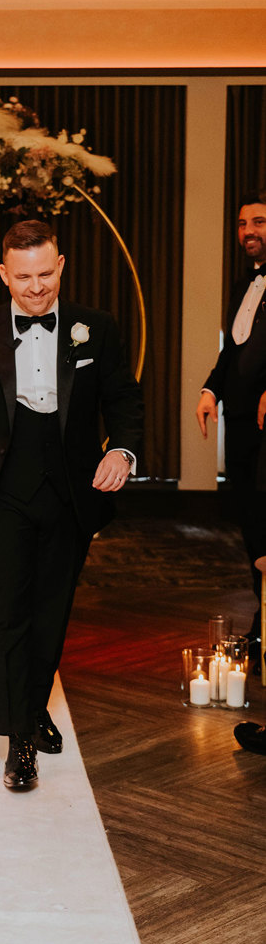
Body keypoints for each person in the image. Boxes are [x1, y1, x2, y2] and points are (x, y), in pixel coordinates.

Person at [0, 219, 143, 791]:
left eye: (45, 274)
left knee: (52, 610)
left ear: (61, 266)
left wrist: (121, 449)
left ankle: (34, 702)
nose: (36, 287)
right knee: (11, 614)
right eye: (24, 277)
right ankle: (19, 738)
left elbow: (124, 400)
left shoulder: (99, 328)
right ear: (3, 274)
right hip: (5, 493)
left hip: (73, 491)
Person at [196, 189, 266, 655]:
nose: (248, 232)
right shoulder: (246, 284)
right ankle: (264, 625)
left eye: (259, 222)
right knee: (253, 528)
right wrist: (210, 389)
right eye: (242, 224)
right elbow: (234, 351)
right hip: (241, 428)